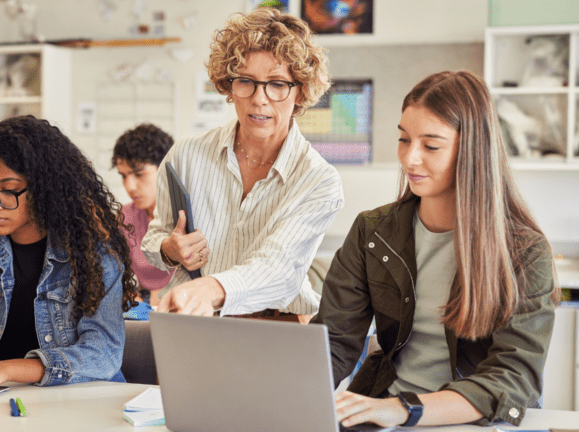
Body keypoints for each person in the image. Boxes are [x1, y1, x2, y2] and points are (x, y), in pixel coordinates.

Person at [312, 71, 560, 428]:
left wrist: (404, 408)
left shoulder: (523, 251)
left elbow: (513, 376)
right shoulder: (373, 231)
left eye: (430, 146)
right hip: (385, 415)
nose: (410, 159)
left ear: (473, 150)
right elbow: (334, 344)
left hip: (472, 421)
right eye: (403, 139)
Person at [141, 8, 344, 322]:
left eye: (277, 84)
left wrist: (212, 288)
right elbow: (154, 240)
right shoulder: (186, 155)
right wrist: (170, 248)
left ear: (301, 90)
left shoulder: (318, 180)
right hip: (195, 320)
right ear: (228, 84)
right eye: (246, 81)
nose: (259, 98)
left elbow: (278, 268)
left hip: (277, 324)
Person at [0, 115, 137, 391]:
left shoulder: (93, 257)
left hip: (76, 402)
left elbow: (102, 353)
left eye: (8, 191)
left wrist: (8, 368)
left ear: (45, 190)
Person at [112, 123, 175, 307]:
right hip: (143, 309)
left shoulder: (188, 213)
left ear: (165, 170)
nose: (130, 186)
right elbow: (115, 277)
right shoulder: (124, 217)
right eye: (123, 176)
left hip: (183, 308)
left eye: (139, 174)